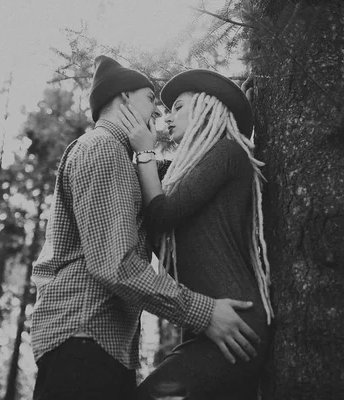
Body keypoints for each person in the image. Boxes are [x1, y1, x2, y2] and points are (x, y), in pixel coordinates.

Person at [30, 56, 261, 400]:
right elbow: (114, 264)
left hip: (104, 341)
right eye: (151, 99)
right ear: (124, 98)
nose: (158, 113)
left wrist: (232, 103)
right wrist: (203, 312)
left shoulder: (129, 160)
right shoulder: (104, 148)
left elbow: (191, 170)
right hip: (82, 334)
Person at [117, 69, 273, 400]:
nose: (168, 119)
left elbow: (161, 214)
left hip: (236, 327)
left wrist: (145, 152)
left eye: (179, 107)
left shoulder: (228, 153)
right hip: (208, 329)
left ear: (206, 109)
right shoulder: (185, 172)